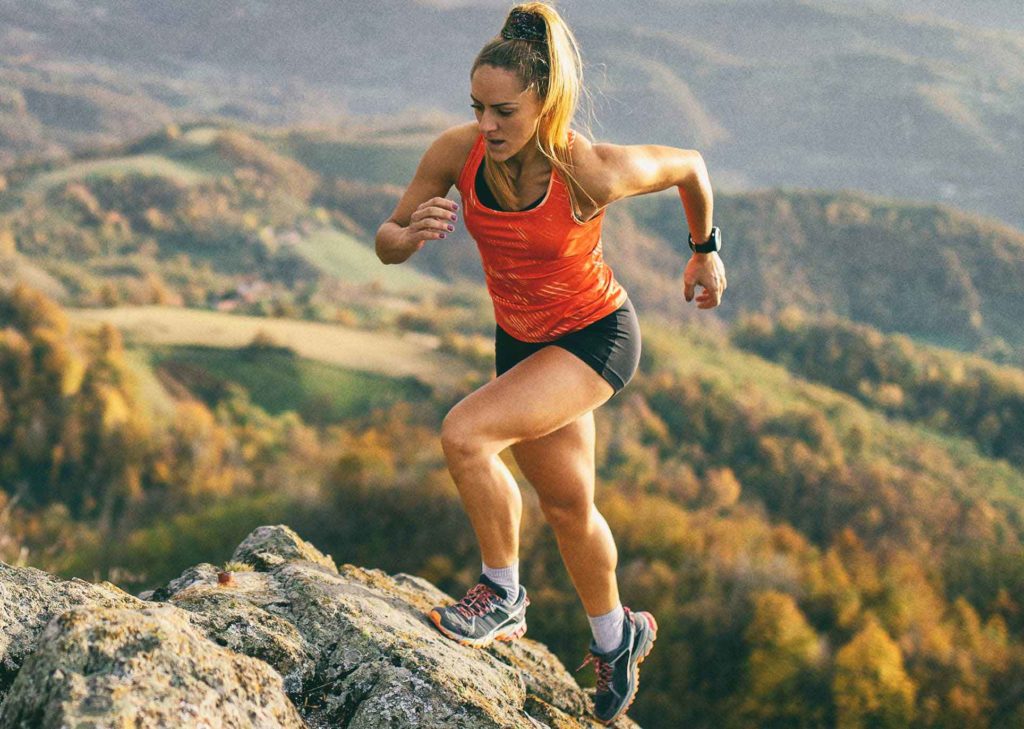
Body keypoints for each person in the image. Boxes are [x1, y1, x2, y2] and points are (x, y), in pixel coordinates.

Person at [375, 2, 725, 724]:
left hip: (596, 337)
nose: (487, 125)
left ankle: (501, 594)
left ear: (545, 103)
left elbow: (689, 166)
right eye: (477, 107)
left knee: (466, 433)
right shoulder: (457, 153)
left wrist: (704, 250)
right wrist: (408, 235)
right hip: (525, 344)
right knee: (568, 506)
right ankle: (616, 635)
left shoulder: (587, 170)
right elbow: (385, 237)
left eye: (504, 110)